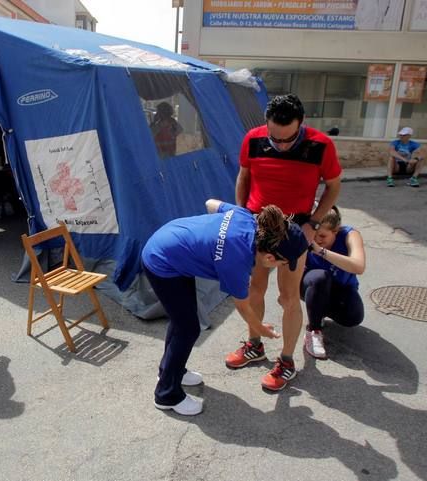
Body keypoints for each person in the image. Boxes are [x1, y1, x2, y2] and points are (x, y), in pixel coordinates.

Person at [142, 200, 308, 415]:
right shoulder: (237, 262)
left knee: (182, 320)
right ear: (269, 257)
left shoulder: (248, 219)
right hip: (162, 261)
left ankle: (171, 371)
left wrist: (209, 237)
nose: (283, 267)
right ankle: (167, 394)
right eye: (283, 263)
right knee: (188, 328)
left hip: (171, 244)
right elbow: (242, 305)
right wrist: (260, 329)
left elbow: (211, 203)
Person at [232, 93, 342, 391]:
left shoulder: (321, 145)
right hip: (257, 224)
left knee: (288, 297)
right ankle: (255, 345)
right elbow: (243, 177)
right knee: (254, 288)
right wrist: (242, 215)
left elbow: (333, 187)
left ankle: (287, 361)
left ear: (301, 124)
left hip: (296, 227)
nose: (280, 144)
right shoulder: (253, 138)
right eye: (274, 138)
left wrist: (313, 223)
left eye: (287, 139)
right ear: (266, 124)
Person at [302, 206, 366, 359]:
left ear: (336, 231)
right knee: (320, 277)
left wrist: (321, 251)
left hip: (341, 287)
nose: (317, 239)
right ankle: (314, 331)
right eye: (315, 235)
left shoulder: (350, 235)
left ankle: (319, 309)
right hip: (312, 284)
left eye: (323, 236)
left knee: (353, 317)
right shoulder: (307, 235)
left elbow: (359, 266)